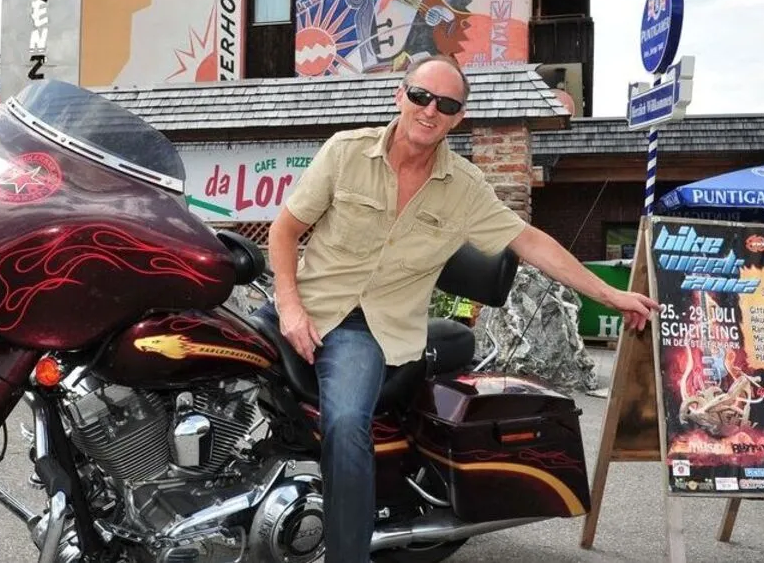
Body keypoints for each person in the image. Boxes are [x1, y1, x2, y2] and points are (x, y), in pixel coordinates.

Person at [252, 54, 657, 562]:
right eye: (421, 96)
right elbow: (285, 230)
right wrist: (289, 305)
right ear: (400, 96)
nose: (430, 111)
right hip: (305, 304)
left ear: (458, 117)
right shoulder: (346, 152)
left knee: (346, 421)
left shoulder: (464, 188)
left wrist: (612, 295)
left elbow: (530, 241)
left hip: (368, 330)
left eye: (445, 105)